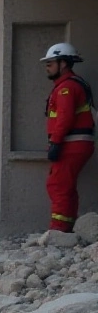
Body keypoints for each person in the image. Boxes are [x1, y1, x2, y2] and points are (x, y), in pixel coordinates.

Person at [42, 43, 94, 232]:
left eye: (50, 62)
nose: (47, 66)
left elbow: (65, 117)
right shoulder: (70, 85)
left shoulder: (67, 87)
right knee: (66, 184)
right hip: (78, 143)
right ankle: (67, 226)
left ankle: (59, 230)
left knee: (58, 184)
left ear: (63, 63)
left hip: (71, 143)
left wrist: (55, 142)